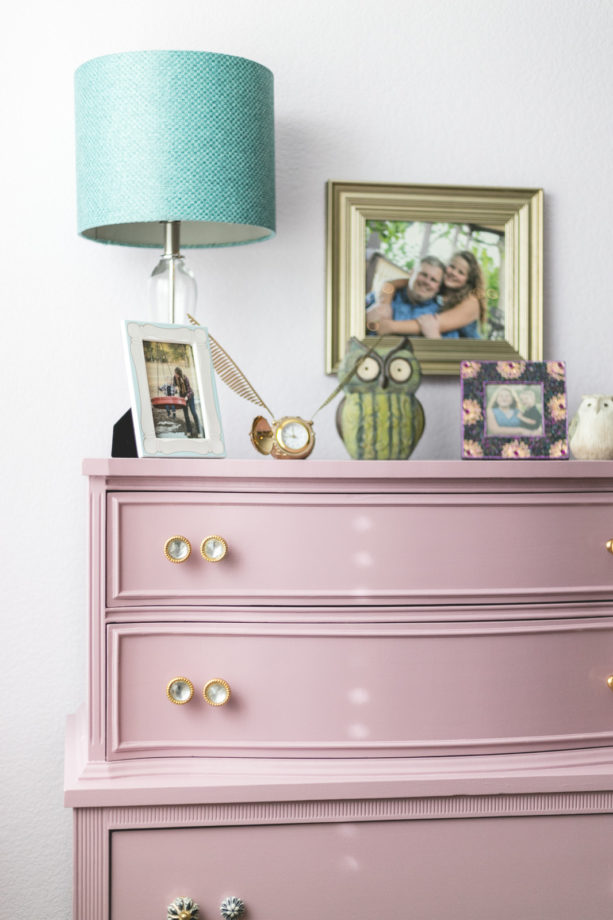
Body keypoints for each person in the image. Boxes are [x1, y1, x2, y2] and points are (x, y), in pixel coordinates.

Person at [367, 250, 485, 339]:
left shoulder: (471, 302)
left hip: (472, 357)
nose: (454, 273)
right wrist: (383, 304)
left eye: (461, 272)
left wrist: (389, 326)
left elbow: (432, 324)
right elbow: (389, 284)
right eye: (452, 267)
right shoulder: (436, 286)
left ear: (468, 280)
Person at [173, 366, 202, 437]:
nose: (175, 375)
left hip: (190, 396)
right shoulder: (174, 378)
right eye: (175, 374)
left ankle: (199, 431)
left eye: (176, 374)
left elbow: (189, 390)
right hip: (182, 397)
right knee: (186, 415)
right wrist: (175, 390)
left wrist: (187, 397)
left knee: (194, 413)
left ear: (179, 374)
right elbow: (175, 386)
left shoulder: (185, 378)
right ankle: (189, 431)